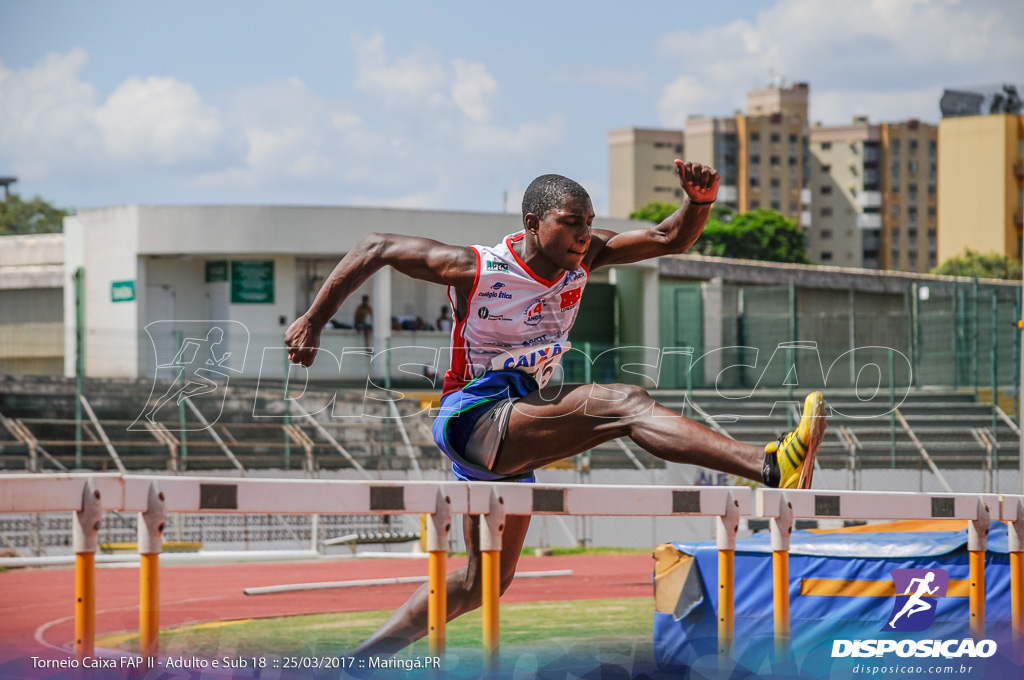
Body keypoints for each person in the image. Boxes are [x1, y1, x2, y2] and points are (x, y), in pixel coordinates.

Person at [285, 160, 827, 657]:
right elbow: (376, 245)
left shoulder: (586, 256)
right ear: (532, 223)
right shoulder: (476, 268)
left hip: (517, 425)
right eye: (571, 223)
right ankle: (769, 465)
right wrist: (313, 319)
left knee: (482, 585)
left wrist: (699, 203)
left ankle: (356, 662)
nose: (584, 235)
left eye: (589, 222)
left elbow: (668, 237)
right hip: (472, 415)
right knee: (623, 402)